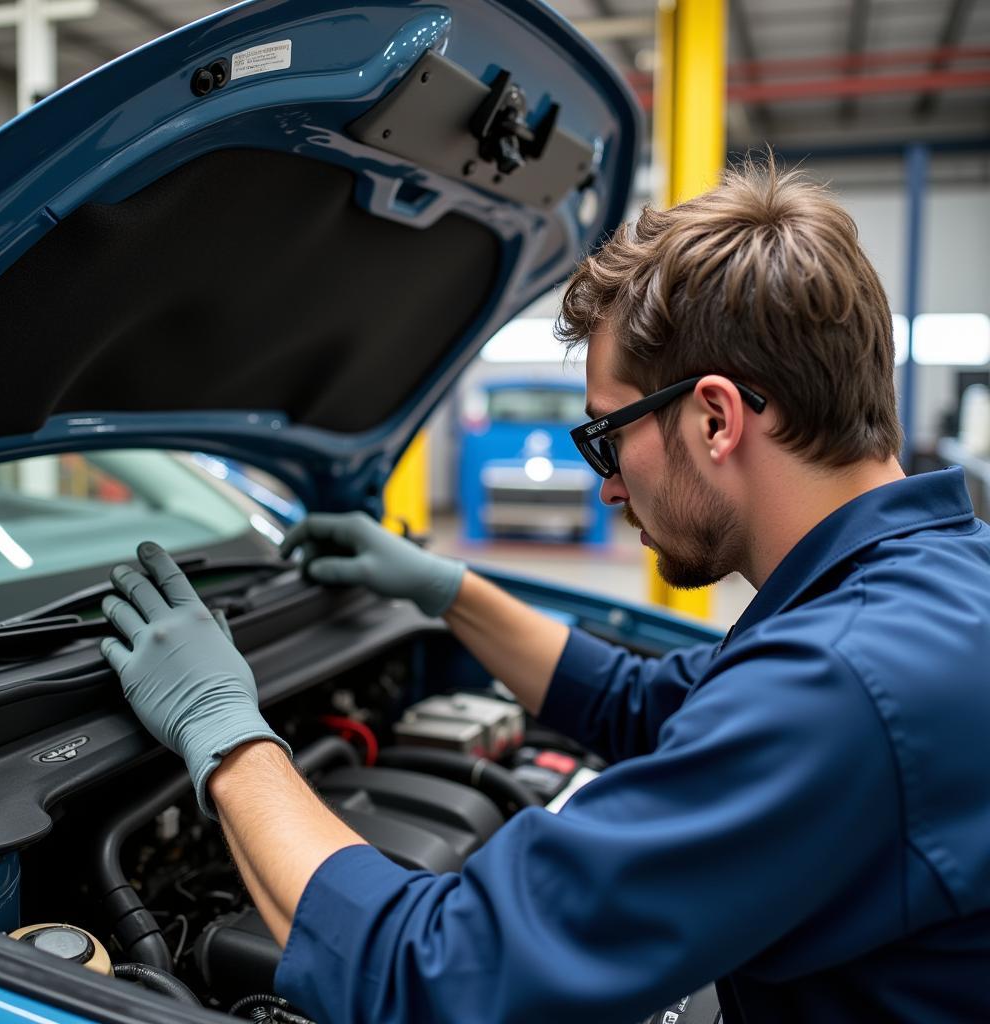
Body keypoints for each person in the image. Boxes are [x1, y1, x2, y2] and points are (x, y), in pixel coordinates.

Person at [99, 159, 990, 1024]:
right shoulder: (924, 588)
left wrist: (227, 735)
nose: (606, 484)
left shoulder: (843, 684)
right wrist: (448, 590)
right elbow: (640, 700)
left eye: (607, 436)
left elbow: (432, 977)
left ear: (715, 417)